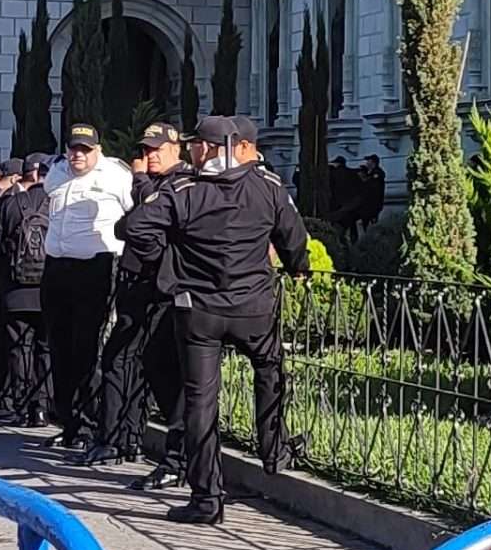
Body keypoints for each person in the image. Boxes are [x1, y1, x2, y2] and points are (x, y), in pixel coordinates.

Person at [154, 116, 310, 526]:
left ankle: (207, 498)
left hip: (200, 311)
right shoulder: (268, 186)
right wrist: (298, 266)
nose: (192, 151)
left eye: (197, 145)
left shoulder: (185, 190)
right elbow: (295, 238)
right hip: (254, 307)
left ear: (211, 148)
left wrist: (170, 259)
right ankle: (274, 449)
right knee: (270, 370)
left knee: (201, 401)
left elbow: (133, 228)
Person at [37, 125, 131, 453]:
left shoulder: (116, 175)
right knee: (59, 347)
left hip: (95, 265)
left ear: (98, 150)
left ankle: (90, 424)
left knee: (86, 348)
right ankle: (69, 423)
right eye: (73, 148)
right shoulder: (57, 172)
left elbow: (135, 213)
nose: (78, 154)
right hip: (57, 266)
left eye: (85, 149)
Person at [105, 124, 192, 475]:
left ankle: (178, 449)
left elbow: (146, 224)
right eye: (144, 150)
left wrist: (139, 183)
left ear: (176, 149)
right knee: (132, 361)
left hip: (166, 287)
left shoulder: (180, 183)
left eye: (156, 149)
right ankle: (125, 437)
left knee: (164, 365)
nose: (149, 156)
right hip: (139, 282)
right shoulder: (152, 184)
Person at [0, 155, 52, 424]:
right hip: (48, 288)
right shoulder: (57, 205)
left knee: (19, 347)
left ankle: (21, 402)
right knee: (45, 347)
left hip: (15, 288)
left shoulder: (11, 204)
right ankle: (41, 406)